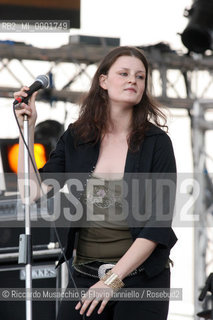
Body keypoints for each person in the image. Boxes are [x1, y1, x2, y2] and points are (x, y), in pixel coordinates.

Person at [14, 46, 177, 320]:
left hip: (141, 280)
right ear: (103, 81)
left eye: (140, 77)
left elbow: (156, 227)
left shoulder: (157, 144)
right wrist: (26, 128)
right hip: (85, 277)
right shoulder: (77, 137)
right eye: (124, 73)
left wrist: (111, 282)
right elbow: (30, 193)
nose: (132, 81)